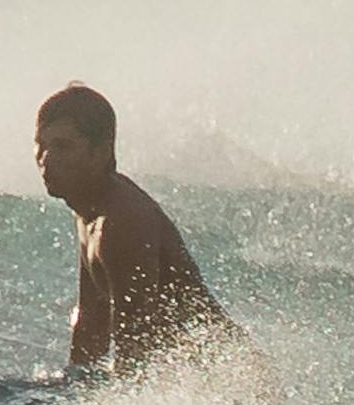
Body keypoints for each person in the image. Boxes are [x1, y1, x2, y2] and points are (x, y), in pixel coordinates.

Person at [34, 85, 234, 376]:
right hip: (202, 385)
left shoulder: (121, 223)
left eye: (64, 146)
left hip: (226, 385)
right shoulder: (89, 210)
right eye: (41, 144)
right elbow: (91, 324)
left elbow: (138, 346)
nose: (46, 158)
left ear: (101, 152)